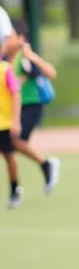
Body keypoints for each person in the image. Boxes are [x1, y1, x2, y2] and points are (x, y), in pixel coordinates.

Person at [9, 19, 59, 198]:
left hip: (31, 105)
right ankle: (15, 188)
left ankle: (46, 164)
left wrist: (32, 56)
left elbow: (51, 73)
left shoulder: (25, 58)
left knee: (16, 141)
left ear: (20, 38)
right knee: (9, 145)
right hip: (12, 107)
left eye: (8, 35)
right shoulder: (5, 58)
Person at [0, 28, 22, 209]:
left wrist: (15, 120)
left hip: (4, 123)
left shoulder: (5, 70)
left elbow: (16, 94)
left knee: (9, 157)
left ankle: (15, 188)